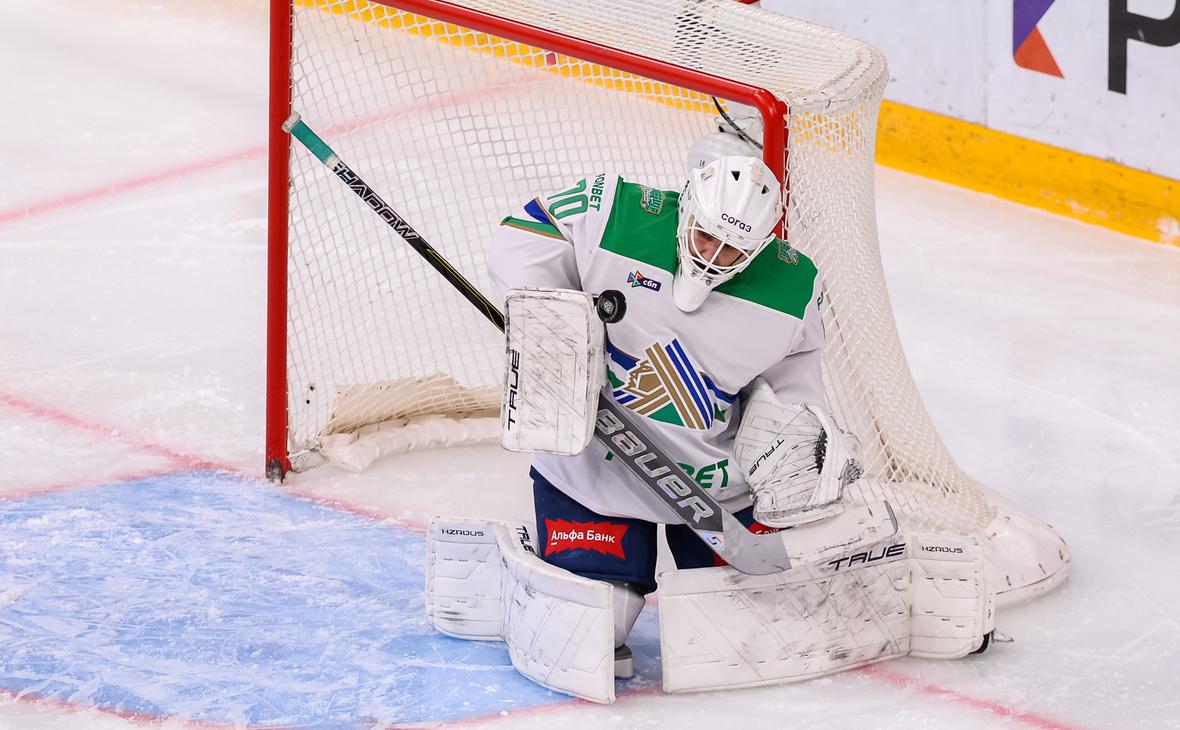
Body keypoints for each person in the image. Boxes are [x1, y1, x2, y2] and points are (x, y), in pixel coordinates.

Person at [486, 150, 839, 677]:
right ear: (687, 205)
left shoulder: (795, 288)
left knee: (742, 638)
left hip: (711, 489)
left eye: (733, 249)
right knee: (588, 633)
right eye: (705, 236)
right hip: (593, 470)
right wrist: (550, 323)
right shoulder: (614, 211)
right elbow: (525, 232)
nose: (713, 255)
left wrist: (796, 444)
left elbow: (794, 387)